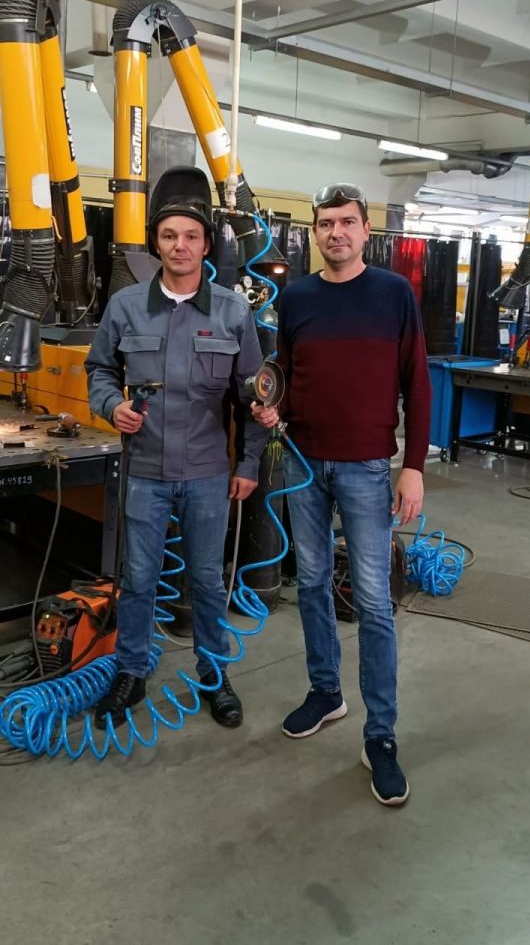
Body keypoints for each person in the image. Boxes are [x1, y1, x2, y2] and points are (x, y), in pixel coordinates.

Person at [252, 183, 431, 805]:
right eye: (326, 224)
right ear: (314, 232)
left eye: (347, 223)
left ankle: (380, 735)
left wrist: (413, 466)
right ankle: (326, 691)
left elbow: (417, 383)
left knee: (375, 602)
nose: (336, 233)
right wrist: (272, 407)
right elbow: (284, 373)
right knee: (311, 586)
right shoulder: (297, 298)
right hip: (304, 463)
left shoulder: (394, 294)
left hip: (366, 469)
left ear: (365, 231)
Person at [86, 167, 267, 730]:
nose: (180, 246)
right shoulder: (125, 307)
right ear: (156, 242)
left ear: (207, 244)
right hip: (144, 470)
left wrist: (250, 464)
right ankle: (131, 673)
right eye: (169, 236)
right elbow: (98, 370)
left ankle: (214, 674)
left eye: (191, 236)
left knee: (208, 581)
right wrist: (110, 404)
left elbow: (253, 397)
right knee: (139, 579)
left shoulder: (233, 312)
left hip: (209, 474)